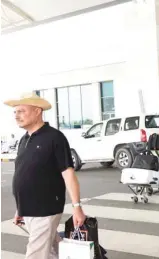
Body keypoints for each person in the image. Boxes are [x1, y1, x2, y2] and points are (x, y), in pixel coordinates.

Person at [4, 92, 86, 259]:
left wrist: (77, 207)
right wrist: (21, 208)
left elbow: (68, 173)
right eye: (15, 112)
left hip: (45, 209)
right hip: (29, 209)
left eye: (21, 111)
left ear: (37, 111)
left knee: (35, 254)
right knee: (52, 251)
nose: (16, 116)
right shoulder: (24, 139)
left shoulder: (54, 137)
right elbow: (25, 174)